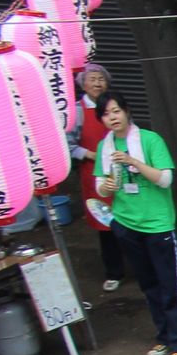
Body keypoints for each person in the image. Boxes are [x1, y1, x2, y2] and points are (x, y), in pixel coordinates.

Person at [92, 90, 177, 355]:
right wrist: (106, 186)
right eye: (106, 114)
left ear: (126, 112)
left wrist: (134, 162)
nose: (112, 117)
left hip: (157, 224)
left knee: (169, 284)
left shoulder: (150, 140)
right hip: (126, 223)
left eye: (116, 111)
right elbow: (100, 186)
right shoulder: (105, 147)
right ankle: (164, 337)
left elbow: (165, 179)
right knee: (148, 285)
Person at [71, 63, 127, 293]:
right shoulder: (76, 111)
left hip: (123, 167)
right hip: (94, 170)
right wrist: (92, 154)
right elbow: (69, 145)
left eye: (101, 79)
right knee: (106, 223)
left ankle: (142, 266)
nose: (97, 83)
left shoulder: (114, 105)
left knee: (131, 217)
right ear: (83, 84)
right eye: (92, 79)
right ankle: (114, 272)